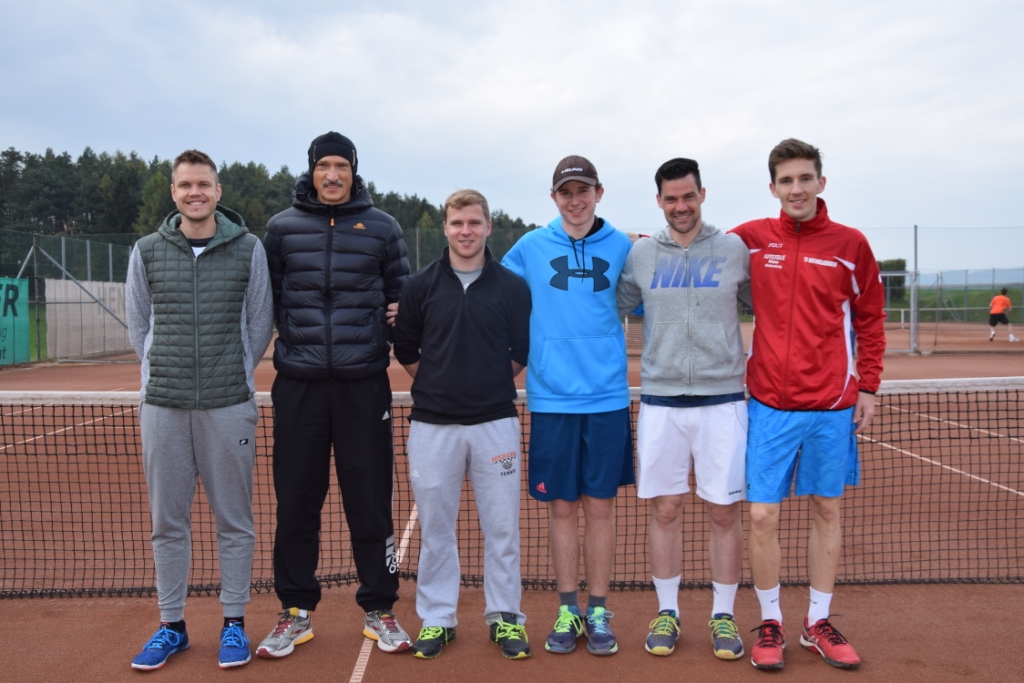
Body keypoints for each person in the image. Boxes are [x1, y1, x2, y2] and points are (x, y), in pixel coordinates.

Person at [730, 138, 885, 671]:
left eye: (804, 178)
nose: (796, 189)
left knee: (827, 509)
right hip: (769, 405)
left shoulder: (851, 244)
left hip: (831, 406)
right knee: (761, 515)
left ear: (821, 182)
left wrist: (868, 386)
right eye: (786, 181)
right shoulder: (750, 240)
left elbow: (871, 318)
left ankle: (817, 622)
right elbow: (693, 243)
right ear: (773, 187)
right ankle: (771, 621)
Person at [258, 132, 412, 658]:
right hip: (298, 387)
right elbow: (265, 301)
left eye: (340, 166)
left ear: (353, 171)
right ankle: (295, 611)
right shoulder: (281, 228)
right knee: (296, 502)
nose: (331, 175)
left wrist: (401, 327)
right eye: (323, 165)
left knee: (370, 501)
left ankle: (380, 607)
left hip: (363, 387)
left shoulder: (384, 228)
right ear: (311, 170)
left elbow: (401, 301)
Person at [125, 149, 273, 671]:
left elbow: (259, 323)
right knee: (167, 522)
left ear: (217, 192)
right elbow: (138, 324)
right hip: (162, 406)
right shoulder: (146, 250)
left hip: (228, 405)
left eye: (203, 185)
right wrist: (159, 375)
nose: (195, 193)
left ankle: (233, 622)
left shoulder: (249, 248)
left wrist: (233, 373)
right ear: (174, 192)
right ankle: (172, 626)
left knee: (235, 520)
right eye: (186, 185)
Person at [617, 158, 750, 660]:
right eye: (671, 199)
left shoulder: (733, 249)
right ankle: (667, 611)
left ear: (702, 195)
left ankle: (723, 616)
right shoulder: (642, 254)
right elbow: (610, 304)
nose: (681, 206)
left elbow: (771, 303)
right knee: (666, 509)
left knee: (724, 512)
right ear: (659, 201)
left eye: (688, 196)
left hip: (724, 401)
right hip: (661, 401)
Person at [392, 189, 532, 660]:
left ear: (488, 226)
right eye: (457, 223)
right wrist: (440, 383)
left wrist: (485, 384)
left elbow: (520, 352)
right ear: (445, 228)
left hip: (496, 423)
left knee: (502, 529)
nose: (465, 231)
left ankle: (505, 616)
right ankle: (438, 618)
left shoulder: (512, 287)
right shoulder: (419, 286)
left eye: (474, 222)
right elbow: (406, 349)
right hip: (433, 426)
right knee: (436, 529)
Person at [501, 155, 633, 656]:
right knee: (561, 507)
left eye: (583, 191)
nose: (575, 201)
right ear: (553, 197)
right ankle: (567, 609)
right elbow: (488, 289)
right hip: (552, 397)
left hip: (607, 396)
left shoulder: (623, 245)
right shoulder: (530, 246)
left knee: (599, 507)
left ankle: (597, 610)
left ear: (599, 192)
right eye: (565, 192)